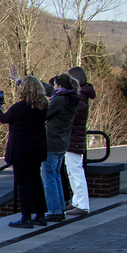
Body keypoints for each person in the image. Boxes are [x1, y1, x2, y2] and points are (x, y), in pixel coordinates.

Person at [0, 76, 48, 228]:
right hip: (37, 148)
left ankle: (26, 216)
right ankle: (41, 214)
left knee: (23, 184)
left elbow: (4, 118)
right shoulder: (44, 106)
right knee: (36, 181)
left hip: (20, 150)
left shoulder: (19, 108)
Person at [42, 74, 79, 222]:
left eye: (56, 84)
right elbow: (50, 90)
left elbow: (44, 114)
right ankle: (60, 208)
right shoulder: (72, 99)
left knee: (49, 178)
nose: (54, 87)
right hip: (63, 143)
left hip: (51, 142)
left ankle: (53, 210)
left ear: (60, 86)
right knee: (56, 176)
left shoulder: (58, 100)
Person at [65, 66, 96, 216]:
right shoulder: (80, 95)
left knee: (76, 171)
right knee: (72, 171)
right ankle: (76, 201)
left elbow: (74, 116)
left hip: (74, 138)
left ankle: (83, 205)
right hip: (74, 138)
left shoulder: (79, 97)